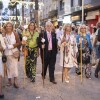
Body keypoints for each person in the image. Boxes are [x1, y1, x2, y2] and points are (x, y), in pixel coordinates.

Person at [4, 22, 21, 88]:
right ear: (5, 27)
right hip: (7, 53)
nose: (8, 27)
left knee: (15, 67)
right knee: (8, 67)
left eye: (10, 26)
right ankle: (9, 80)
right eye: (7, 26)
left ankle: (15, 81)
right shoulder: (4, 34)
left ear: (12, 27)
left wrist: (12, 46)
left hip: (14, 53)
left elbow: (19, 43)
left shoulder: (15, 34)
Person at [0, 34, 6, 99]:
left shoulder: (0, 36)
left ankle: (0, 91)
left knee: (0, 75)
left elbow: (4, 47)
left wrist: (1, 47)